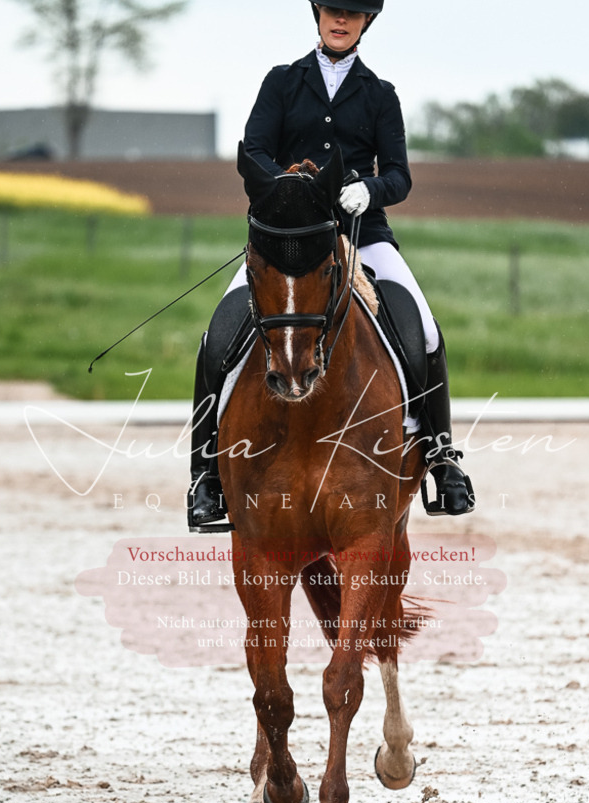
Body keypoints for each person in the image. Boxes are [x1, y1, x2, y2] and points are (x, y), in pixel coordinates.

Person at [189, 1, 474, 529]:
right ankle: (205, 475)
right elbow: (253, 151)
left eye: (352, 14)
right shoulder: (281, 82)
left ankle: (440, 457)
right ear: (317, 15)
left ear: (366, 22)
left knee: (426, 331)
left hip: (362, 234)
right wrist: (292, 189)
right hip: (287, 238)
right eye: (332, 11)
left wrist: (369, 189)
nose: (340, 20)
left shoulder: (380, 95)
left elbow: (399, 176)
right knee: (217, 334)